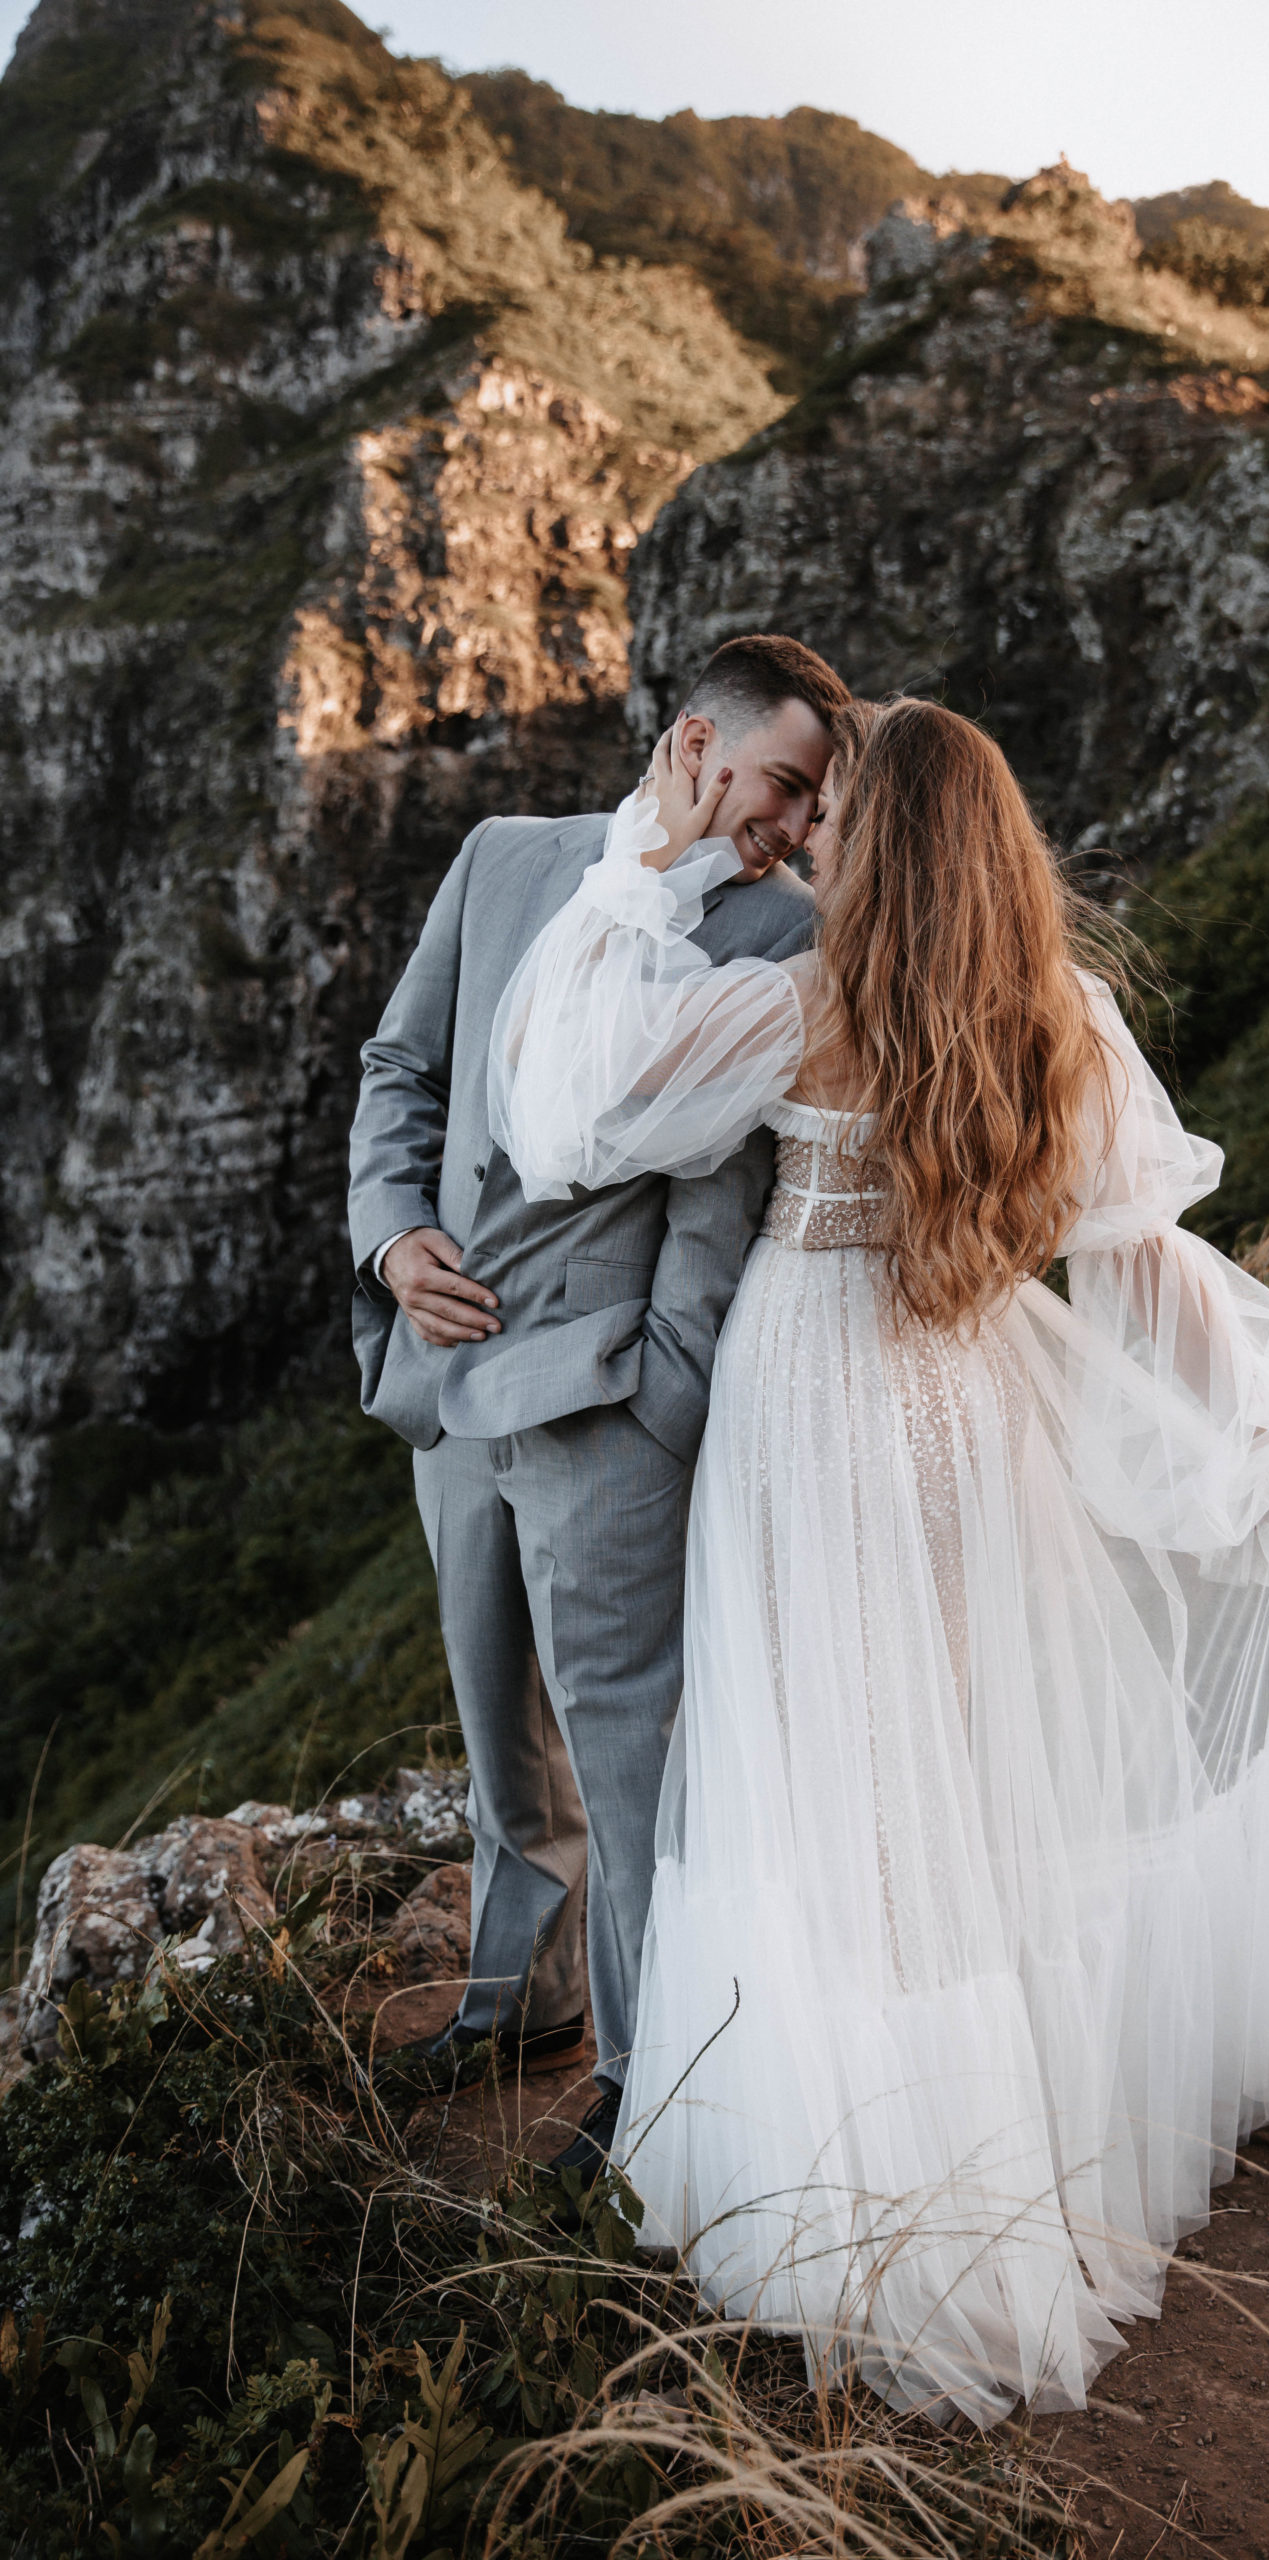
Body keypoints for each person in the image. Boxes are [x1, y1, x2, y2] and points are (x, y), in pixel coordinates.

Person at [490, 694, 1269, 2422]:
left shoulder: (798, 1006)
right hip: (965, 1407)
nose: (815, 842)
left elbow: (567, 1111)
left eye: (840, 820)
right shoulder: (1057, 1015)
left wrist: (641, 865)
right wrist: (1268, 1433)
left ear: (888, 845)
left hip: (808, 1408)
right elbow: (1145, 1257)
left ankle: (853, 2184)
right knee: (956, 1780)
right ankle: (981, 2160)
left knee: (823, 1780)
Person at [347, 634, 849, 2146]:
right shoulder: (506, 856)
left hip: (603, 1405)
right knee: (500, 1728)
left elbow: (725, 1195)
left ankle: (646, 2081)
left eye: (812, 804)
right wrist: (392, 1239)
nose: (793, 826)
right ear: (698, 746)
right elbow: (400, 1069)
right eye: (782, 785)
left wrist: (658, 1402)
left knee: (630, 1764)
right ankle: (521, 1998)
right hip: (445, 1380)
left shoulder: (785, 934)